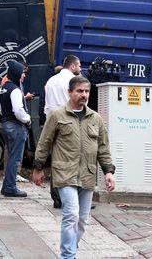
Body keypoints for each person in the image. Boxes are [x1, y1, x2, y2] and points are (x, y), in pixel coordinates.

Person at [31, 76, 115, 259]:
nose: (83, 95)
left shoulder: (95, 118)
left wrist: (108, 172)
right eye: (79, 91)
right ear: (70, 92)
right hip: (64, 174)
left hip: (87, 175)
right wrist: (38, 167)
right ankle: (68, 256)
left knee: (82, 220)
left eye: (86, 91)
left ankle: (71, 250)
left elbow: (103, 148)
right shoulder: (57, 115)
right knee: (71, 214)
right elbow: (44, 142)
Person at [44, 55, 82, 208]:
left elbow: (46, 103)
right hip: (68, 122)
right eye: (79, 66)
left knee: (56, 160)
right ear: (73, 66)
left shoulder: (50, 80)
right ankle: (72, 197)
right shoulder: (72, 81)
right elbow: (76, 103)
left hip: (51, 122)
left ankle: (57, 197)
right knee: (72, 160)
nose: (80, 68)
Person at [0, 60, 31, 198]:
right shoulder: (15, 90)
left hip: (5, 123)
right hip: (15, 126)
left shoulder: (3, 88)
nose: (23, 75)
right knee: (15, 159)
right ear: (16, 73)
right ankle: (10, 187)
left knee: (11, 157)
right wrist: (27, 119)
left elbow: (0, 109)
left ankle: (7, 186)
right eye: (22, 73)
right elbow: (18, 110)